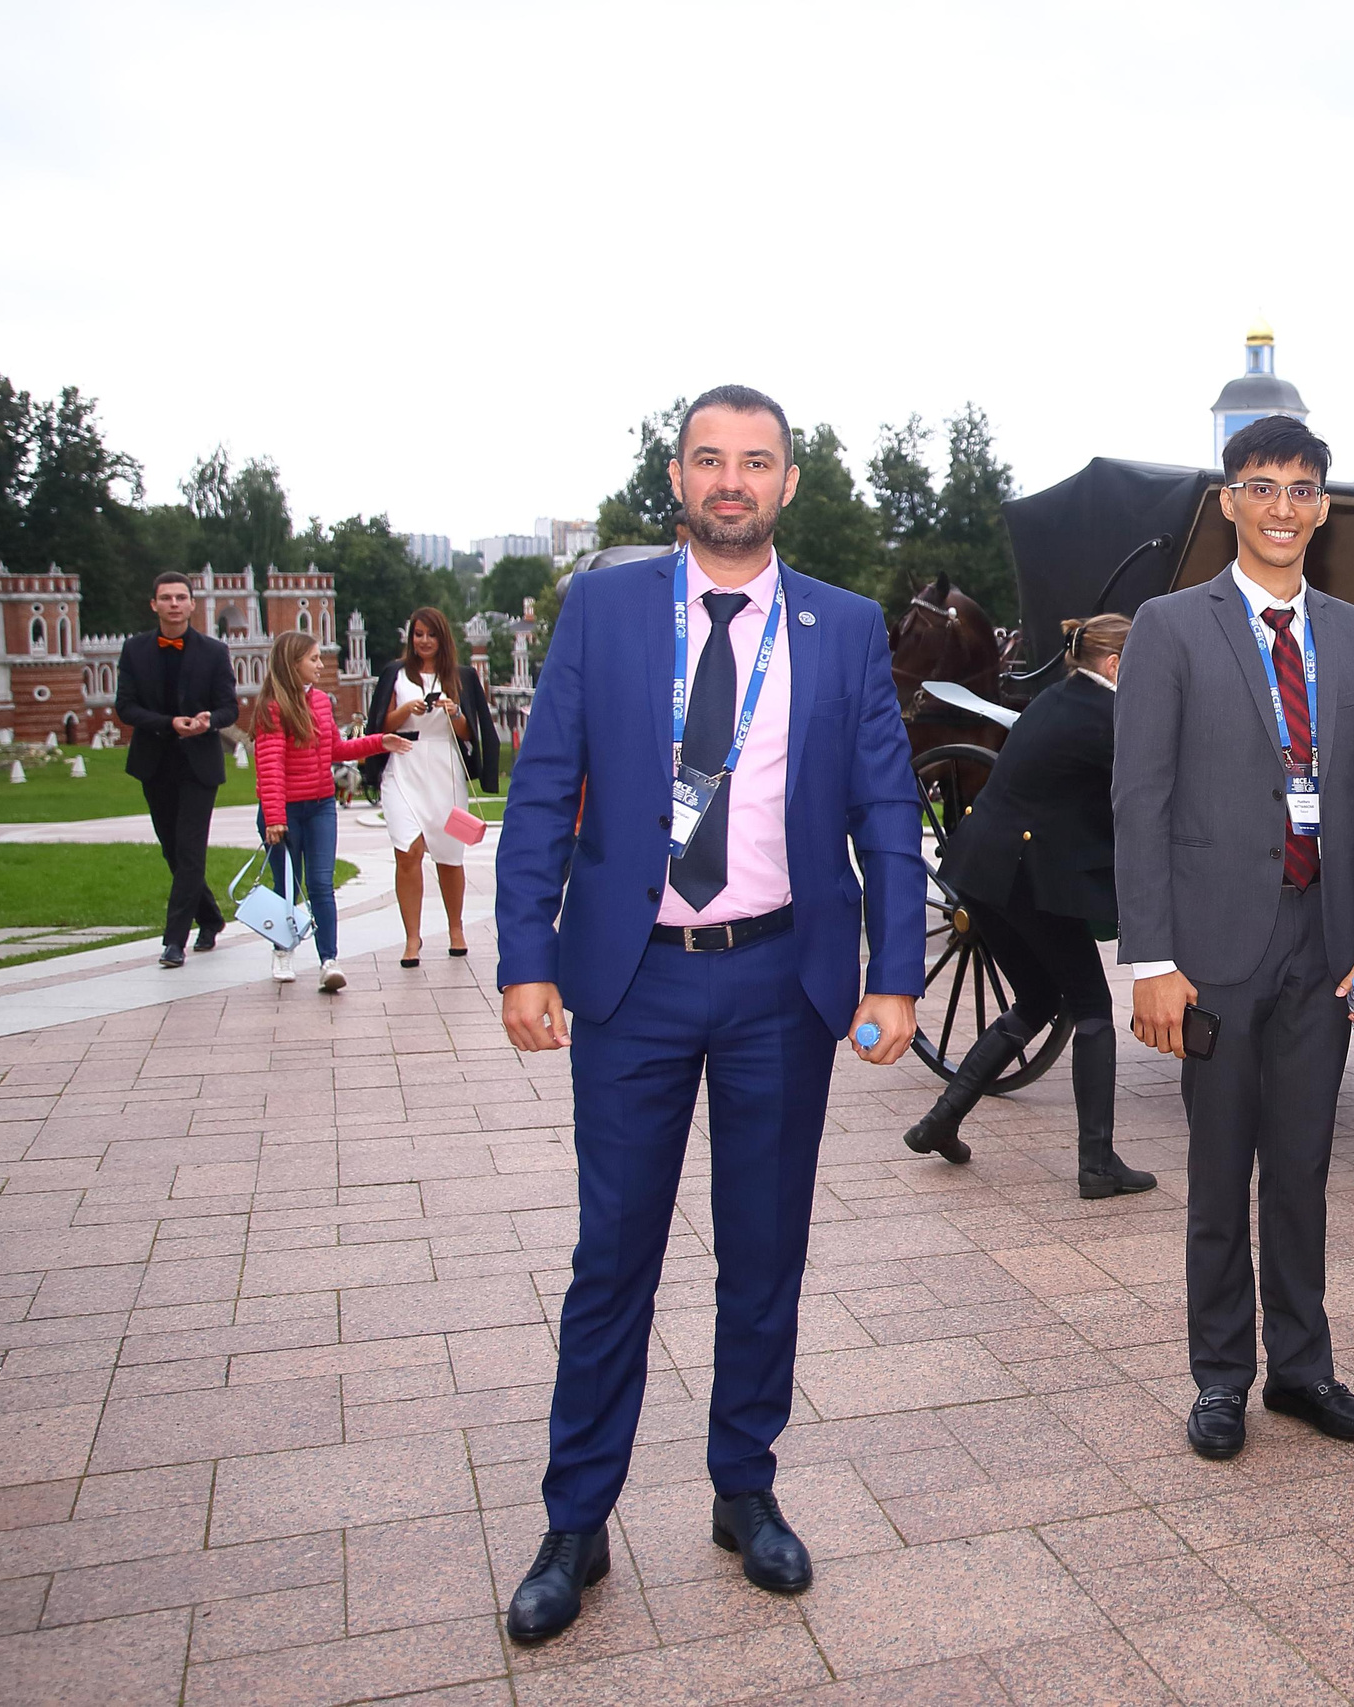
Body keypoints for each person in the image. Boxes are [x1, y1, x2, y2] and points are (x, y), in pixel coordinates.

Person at [493, 385, 923, 1641]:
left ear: (789, 483)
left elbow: (887, 816)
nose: (731, 481)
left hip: (778, 985)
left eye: (756, 462)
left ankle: (745, 1490)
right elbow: (542, 794)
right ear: (677, 478)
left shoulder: (841, 629)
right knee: (610, 1256)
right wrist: (529, 957)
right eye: (708, 460)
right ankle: (577, 1519)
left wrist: (892, 974)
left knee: (764, 1253)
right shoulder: (605, 610)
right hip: (631, 981)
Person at [1115, 415, 1354, 1461]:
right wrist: (1152, 961)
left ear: (1323, 507)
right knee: (1217, 1166)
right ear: (1228, 501)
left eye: (1300, 488)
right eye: (1261, 485)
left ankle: (1303, 1369)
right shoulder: (1169, 625)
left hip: (1321, 940)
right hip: (1212, 949)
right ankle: (1220, 1378)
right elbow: (1137, 801)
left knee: (1298, 1169)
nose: (1282, 506)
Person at [906, 614, 1154, 1199]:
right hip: (1030, 877)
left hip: (979, 873)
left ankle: (941, 1119)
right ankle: (1097, 1164)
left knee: (1041, 997)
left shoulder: (1054, 699)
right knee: (1092, 1007)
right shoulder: (1108, 718)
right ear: (1115, 666)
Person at [252, 630, 409, 990]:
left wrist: (378, 741)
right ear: (294, 665)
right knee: (287, 886)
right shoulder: (272, 707)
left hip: (321, 805)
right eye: (314, 659)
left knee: (321, 884)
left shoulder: (321, 701)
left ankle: (329, 960)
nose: (320, 665)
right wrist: (274, 818)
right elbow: (270, 765)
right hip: (285, 811)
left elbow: (334, 750)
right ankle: (282, 951)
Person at [115, 571, 238, 967]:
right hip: (155, 761)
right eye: (165, 597)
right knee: (172, 850)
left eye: (180, 597)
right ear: (154, 604)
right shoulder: (134, 650)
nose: (173, 604)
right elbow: (126, 707)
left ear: (191, 604)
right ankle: (211, 917)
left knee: (190, 849)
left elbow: (229, 708)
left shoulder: (214, 652)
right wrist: (168, 723)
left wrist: (207, 721)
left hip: (199, 763)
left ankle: (174, 941)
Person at [362, 608, 499, 966]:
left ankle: (456, 928)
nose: (423, 641)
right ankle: (412, 938)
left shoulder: (462, 677)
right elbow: (381, 723)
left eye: (430, 635)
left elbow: (472, 733)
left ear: (442, 638)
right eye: (418, 634)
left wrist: (453, 712)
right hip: (404, 764)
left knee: (450, 854)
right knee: (408, 851)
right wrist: (408, 709)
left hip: (444, 769)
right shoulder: (395, 674)